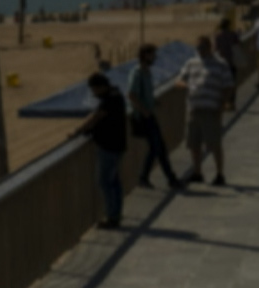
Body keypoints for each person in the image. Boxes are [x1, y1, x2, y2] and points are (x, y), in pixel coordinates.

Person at [74, 73, 128, 230]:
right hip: (116, 146)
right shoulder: (115, 95)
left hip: (109, 147)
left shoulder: (111, 99)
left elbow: (96, 117)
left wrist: (79, 130)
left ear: (101, 87)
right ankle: (116, 214)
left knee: (105, 182)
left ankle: (112, 217)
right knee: (114, 182)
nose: (93, 93)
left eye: (94, 89)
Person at [181, 36, 234, 185]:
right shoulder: (191, 63)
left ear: (209, 47)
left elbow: (229, 85)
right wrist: (185, 85)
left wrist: (222, 104)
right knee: (194, 143)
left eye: (202, 48)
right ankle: (197, 172)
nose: (200, 51)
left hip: (211, 110)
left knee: (214, 144)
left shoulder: (221, 64)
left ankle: (219, 174)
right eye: (197, 48)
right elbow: (180, 80)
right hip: (193, 109)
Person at [128, 44, 182, 190]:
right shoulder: (137, 73)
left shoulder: (147, 72)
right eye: (152, 55)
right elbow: (131, 95)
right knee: (159, 148)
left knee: (155, 148)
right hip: (143, 117)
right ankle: (171, 178)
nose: (154, 58)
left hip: (149, 114)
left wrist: (152, 102)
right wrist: (144, 110)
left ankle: (143, 177)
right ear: (145, 55)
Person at [214, 18, 242, 108]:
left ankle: (224, 103)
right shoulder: (233, 34)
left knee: (222, 84)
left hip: (222, 63)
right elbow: (238, 43)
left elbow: (216, 49)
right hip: (232, 61)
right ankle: (232, 102)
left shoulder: (218, 36)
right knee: (232, 83)